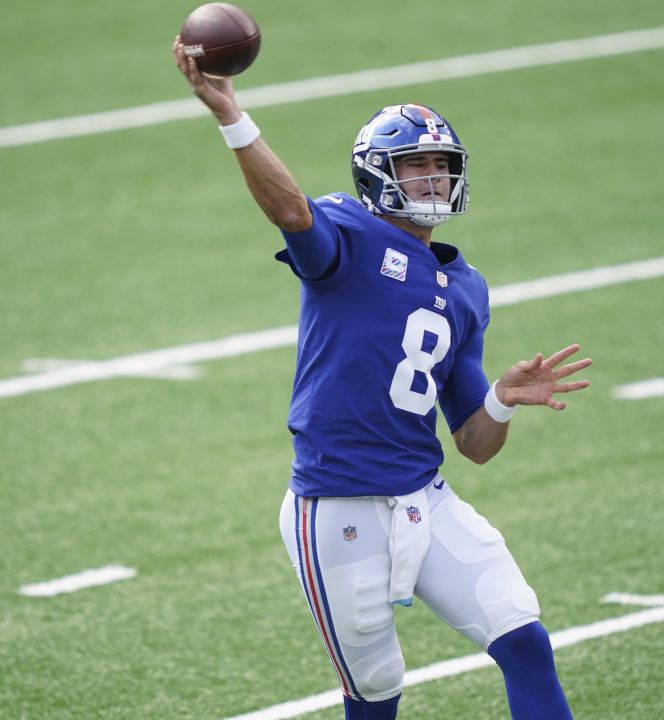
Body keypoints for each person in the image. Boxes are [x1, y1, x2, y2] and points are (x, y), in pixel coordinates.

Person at [174, 38, 591, 720]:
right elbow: (290, 213)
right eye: (414, 165)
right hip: (336, 506)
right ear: (377, 175)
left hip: (423, 496)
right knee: (375, 688)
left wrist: (503, 401)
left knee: (522, 632)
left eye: (440, 166)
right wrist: (231, 115)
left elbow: (475, 443)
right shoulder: (346, 231)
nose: (430, 179)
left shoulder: (467, 286)